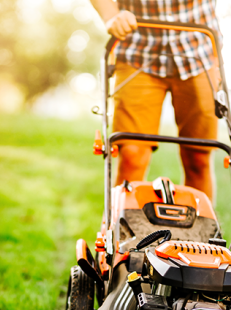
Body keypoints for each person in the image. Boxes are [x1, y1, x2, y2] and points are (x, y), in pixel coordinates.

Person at [89, 0, 221, 200]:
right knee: (132, 153)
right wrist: (111, 16)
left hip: (198, 48)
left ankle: (201, 230)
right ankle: (119, 228)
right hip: (137, 49)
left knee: (198, 156)